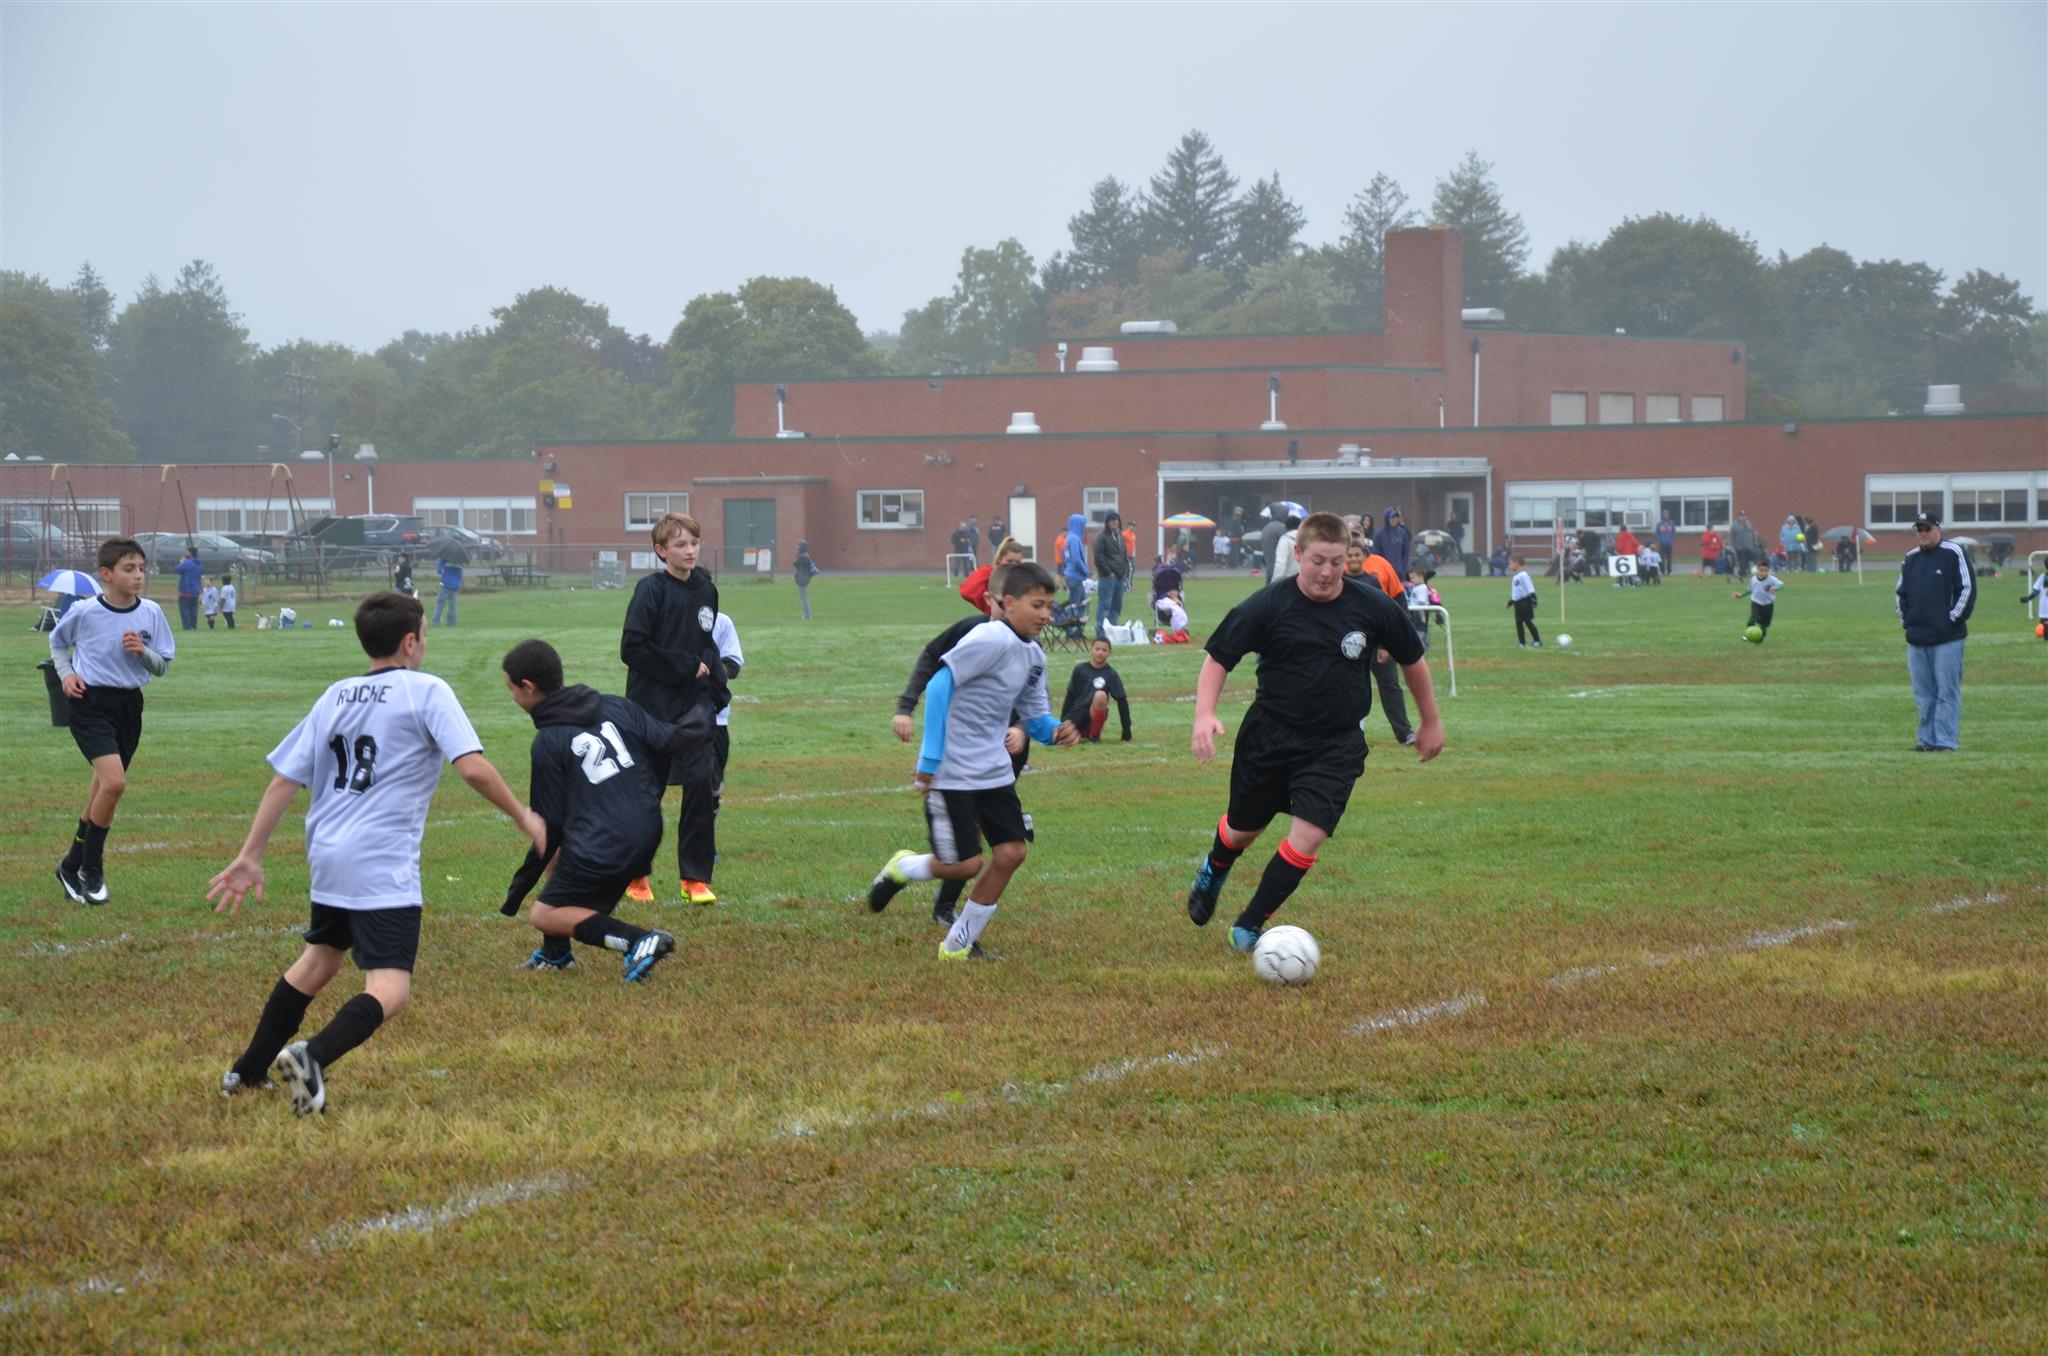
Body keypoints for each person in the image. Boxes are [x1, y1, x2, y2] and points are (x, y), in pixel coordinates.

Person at [207, 591, 545, 1114]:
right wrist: (524, 816)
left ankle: (247, 1071)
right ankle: (311, 1056)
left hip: (328, 853)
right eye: (426, 635)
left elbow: (283, 780)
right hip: (381, 860)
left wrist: (252, 853)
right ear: (411, 643)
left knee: (318, 961)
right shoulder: (426, 691)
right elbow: (472, 766)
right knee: (391, 986)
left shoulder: (335, 695)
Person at [1186, 513, 1442, 954]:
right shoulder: (1267, 604)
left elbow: (1412, 659)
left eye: (1337, 562)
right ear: (1299, 555)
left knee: (1310, 835)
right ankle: (1215, 867)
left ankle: (1249, 925)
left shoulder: (1373, 606)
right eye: (1317, 560)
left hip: (1335, 743)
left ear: (1350, 559)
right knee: (1243, 831)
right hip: (1269, 736)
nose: (1327, 572)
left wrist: (1431, 721)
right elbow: (1218, 657)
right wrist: (1204, 714)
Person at [867, 561, 1080, 960]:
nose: (1047, 615)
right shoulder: (989, 638)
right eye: (1038, 605)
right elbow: (940, 683)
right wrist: (930, 758)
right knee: (965, 865)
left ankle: (958, 943)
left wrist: (1055, 730)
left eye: (1050, 607)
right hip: (953, 774)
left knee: (1012, 853)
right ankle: (904, 868)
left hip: (995, 773)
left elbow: (1034, 717)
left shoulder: (1034, 656)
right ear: (1009, 602)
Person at [497, 638, 679, 980]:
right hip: (647, 828)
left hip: (608, 841)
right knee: (560, 861)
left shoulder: (548, 742)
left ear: (528, 687)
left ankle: (639, 940)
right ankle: (556, 954)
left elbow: (547, 826)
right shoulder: (613, 704)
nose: (512, 697)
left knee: (545, 914)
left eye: (511, 689)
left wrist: (517, 891)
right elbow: (663, 742)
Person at [890, 580, 1032, 928]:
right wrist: (907, 708)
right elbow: (936, 674)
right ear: (994, 600)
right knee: (967, 858)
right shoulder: (973, 634)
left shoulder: (1028, 645)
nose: (1039, 612)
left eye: (1043, 604)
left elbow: (1024, 697)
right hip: (959, 761)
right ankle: (910, 874)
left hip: (998, 760)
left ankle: (953, 921)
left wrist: (1024, 727)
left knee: (1005, 849)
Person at [48, 538, 176, 906]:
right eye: (129, 569)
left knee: (101, 791)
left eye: (141, 568)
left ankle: (70, 865)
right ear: (106, 574)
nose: (138, 576)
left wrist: (144, 652)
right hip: (88, 702)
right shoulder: (86, 611)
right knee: (115, 783)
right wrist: (66, 674)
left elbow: (163, 665)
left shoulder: (151, 611)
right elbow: (57, 643)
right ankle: (92, 867)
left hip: (128, 706)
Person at [620, 512, 726, 905]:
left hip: (693, 706)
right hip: (650, 706)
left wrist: (716, 685)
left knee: (700, 785)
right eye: (680, 545)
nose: (690, 551)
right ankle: (636, 875)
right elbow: (631, 648)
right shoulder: (650, 591)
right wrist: (683, 665)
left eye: (694, 543)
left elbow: (704, 643)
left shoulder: (707, 591)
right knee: (646, 793)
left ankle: (695, 879)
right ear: (661, 551)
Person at [1896, 512, 1974, 752]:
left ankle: (1945, 741)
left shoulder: (1954, 553)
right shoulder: (1910, 559)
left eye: (1926, 529)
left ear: (1938, 529)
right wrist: (1908, 621)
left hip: (1947, 638)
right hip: (1917, 638)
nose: (1922, 533)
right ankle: (1926, 740)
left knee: (1946, 691)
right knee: (1924, 694)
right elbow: (1901, 594)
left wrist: (1951, 619)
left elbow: (1966, 589)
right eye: (1918, 529)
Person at [1354, 540, 1416, 745]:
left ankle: (1404, 732)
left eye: (1357, 553)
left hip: (1378, 641)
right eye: (1349, 554)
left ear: (1364, 552)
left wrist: (1386, 644)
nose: (1353, 558)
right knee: (1348, 687)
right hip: (1351, 644)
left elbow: (1395, 604)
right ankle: (1350, 731)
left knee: (1390, 686)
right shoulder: (1337, 574)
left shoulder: (1378, 572)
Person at [1062, 636, 1132, 743]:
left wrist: (1126, 732)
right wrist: (1063, 722)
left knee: (1100, 695)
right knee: (1059, 738)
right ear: (1091, 650)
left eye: (1104, 650)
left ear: (1109, 653)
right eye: (1097, 649)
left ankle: (1094, 736)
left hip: (1092, 716)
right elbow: (1070, 696)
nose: (1100, 653)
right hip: (1076, 715)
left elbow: (1122, 701)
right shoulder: (1079, 669)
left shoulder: (1111, 674)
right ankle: (1078, 733)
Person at [962, 537, 1028, 616]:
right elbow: (967, 592)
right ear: (1000, 559)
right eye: (1009, 561)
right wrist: (989, 608)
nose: (1012, 565)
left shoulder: (1022, 578)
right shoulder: (988, 572)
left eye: (1017, 562)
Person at [1093, 509, 1131, 639]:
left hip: (1120, 577)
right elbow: (1098, 557)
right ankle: (1101, 631)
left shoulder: (1121, 537)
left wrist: (1125, 569)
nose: (1115, 522)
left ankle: (1112, 628)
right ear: (1107, 522)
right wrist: (1108, 572)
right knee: (1105, 604)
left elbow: (1124, 555)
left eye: (1116, 519)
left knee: (1117, 604)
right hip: (1108, 577)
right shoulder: (1101, 537)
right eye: (1111, 520)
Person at [1736, 558, 1783, 641]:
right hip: (1756, 602)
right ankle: (1747, 635)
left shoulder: (1771, 579)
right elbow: (1750, 590)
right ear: (1757, 569)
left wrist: (1776, 587)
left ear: (1769, 570)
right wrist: (1741, 595)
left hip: (1768, 604)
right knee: (1752, 619)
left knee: (1763, 625)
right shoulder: (1753, 579)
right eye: (1761, 570)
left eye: (1766, 571)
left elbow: (1782, 585)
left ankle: (1760, 639)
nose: (1764, 573)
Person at [1507, 555, 1542, 648]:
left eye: (1510, 563)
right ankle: (1522, 643)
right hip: (1518, 604)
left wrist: (1534, 601)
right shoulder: (1516, 576)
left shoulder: (1524, 575)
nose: (1509, 566)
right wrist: (1510, 602)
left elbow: (1530, 590)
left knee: (1528, 622)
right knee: (1518, 623)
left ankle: (1537, 640)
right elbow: (1517, 593)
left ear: (1517, 563)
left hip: (1525, 603)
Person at [431, 539, 467, 628]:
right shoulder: (460, 560)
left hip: (445, 584)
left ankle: (435, 623)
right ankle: (451, 623)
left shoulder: (444, 559)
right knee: (453, 605)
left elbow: (439, 571)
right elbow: (461, 573)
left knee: (440, 604)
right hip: (455, 585)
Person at [1059, 512, 1090, 610]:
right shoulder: (1075, 539)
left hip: (1070, 575)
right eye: (1083, 525)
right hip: (1075, 576)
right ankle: (1070, 624)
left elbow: (1064, 555)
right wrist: (1085, 570)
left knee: (1082, 603)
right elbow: (1076, 559)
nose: (1084, 528)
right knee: (1075, 606)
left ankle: (1077, 624)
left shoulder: (1068, 538)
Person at [175, 545, 204, 631]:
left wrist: (181, 562)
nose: (185, 553)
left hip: (185, 590)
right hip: (196, 590)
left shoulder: (187, 563)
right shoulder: (199, 564)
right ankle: (193, 626)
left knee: (184, 610)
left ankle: (186, 626)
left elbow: (177, 569)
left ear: (190, 553)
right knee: (193, 610)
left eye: (187, 551)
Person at [1378, 506, 1412, 576]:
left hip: (1399, 573)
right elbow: (1376, 553)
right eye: (1392, 517)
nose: (1394, 520)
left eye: (1396, 517)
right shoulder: (1379, 534)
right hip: (1384, 572)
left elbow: (1406, 551)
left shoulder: (1402, 533)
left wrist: (1402, 567)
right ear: (1387, 519)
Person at [792, 539, 820, 620]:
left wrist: (797, 556)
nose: (797, 547)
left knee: (804, 598)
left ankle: (807, 615)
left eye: (799, 546)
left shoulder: (804, 556)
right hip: (803, 577)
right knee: (803, 597)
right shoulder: (804, 555)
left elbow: (795, 563)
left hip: (803, 578)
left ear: (802, 547)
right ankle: (807, 614)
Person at [1272, 515, 1302, 582]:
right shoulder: (1307, 540)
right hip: (1304, 581)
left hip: (1288, 581)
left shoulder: (1285, 540)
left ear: (1286, 527)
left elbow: (1280, 563)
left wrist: (1274, 581)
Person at [1258, 511, 1286, 583]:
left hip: (1267, 552)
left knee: (1270, 569)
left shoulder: (1266, 526)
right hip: (1277, 551)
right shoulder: (1282, 526)